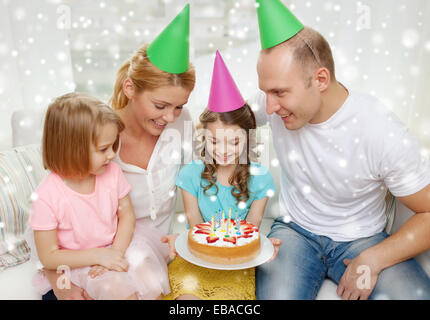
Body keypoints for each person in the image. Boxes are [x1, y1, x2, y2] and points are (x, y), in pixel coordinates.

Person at [253, 0, 430, 300]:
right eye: (264, 93)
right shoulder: (276, 103)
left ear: (320, 79)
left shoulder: (380, 131)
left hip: (363, 240)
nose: (269, 107)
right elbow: (222, 118)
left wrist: (374, 259)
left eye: (280, 93)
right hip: (294, 232)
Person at [38, 4, 196, 300]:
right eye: (160, 106)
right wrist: (60, 280)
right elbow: (60, 202)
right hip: (99, 255)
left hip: (147, 249)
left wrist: (193, 234)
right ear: (130, 88)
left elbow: (199, 179)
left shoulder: (181, 124)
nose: (171, 118)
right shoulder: (98, 134)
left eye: (179, 106)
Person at [28, 92, 170, 300]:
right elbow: (49, 257)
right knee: (114, 287)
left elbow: (127, 217)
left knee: (147, 275)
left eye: (113, 146)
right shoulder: (46, 196)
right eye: (104, 149)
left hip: (116, 245)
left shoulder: (112, 173)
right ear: (71, 150)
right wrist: (100, 257)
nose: (112, 155)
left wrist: (116, 253)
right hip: (76, 261)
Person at [163, 51, 277, 300]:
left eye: (234, 143)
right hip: (196, 259)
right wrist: (207, 248)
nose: (223, 152)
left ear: (247, 140)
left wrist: (258, 246)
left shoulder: (260, 178)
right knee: (186, 299)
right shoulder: (191, 174)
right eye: (214, 142)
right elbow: (194, 221)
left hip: (236, 264)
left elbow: (252, 227)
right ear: (203, 137)